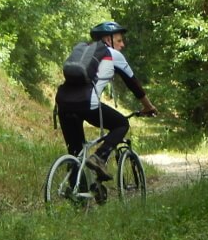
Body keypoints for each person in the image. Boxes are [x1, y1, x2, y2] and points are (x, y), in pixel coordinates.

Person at [55, 20, 158, 180]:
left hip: (62, 104)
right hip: (87, 104)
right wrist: (148, 107)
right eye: (119, 40)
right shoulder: (113, 55)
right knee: (121, 123)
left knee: (76, 153)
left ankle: (78, 198)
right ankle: (99, 157)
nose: (122, 44)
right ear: (108, 39)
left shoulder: (84, 52)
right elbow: (134, 84)